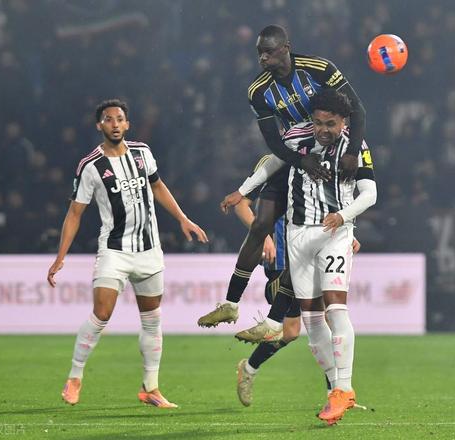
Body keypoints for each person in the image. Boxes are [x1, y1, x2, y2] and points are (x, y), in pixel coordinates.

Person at [197, 24, 366, 334]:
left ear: (286, 48)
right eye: (259, 53)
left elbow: (357, 110)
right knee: (261, 223)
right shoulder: (258, 91)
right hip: (293, 154)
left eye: (269, 52)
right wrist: (300, 161)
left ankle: (276, 321)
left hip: (329, 156)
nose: (263, 58)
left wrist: (352, 153)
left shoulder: (319, 69)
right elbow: (274, 143)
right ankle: (231, 303)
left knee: (310, 235)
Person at [222, 90, 376, 425]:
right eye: (318, 122)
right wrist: (243, 192)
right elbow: (272, 165)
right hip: (297, 236)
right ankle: (334, 390)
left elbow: (368, 194)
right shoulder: (294, 139)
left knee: (334, 309)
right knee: (309, 322)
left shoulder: (355, 148)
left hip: (334, 233)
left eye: (330, 124)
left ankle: (342, 389)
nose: (323, 129)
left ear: (344, 121)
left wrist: (343, 217)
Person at [46, 99, 208, 408]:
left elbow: (158, 187)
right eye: (109, 120)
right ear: (100, 125)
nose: (115, 124)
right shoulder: (90, 165)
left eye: (120, 119)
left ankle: (150, 387)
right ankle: (75, 376)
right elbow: (75, 213)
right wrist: (60, 257)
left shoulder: (142, 152)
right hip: (114, 251)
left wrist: (182, 218)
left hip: (149, 250)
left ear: (127, 124)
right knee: (102, 313)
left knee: (152, 319)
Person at [231, 155, 361, 406]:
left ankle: (335, 393)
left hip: (312, 252)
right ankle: (337, 392)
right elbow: (242, 205)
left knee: (296, 330)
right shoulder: (273, 162)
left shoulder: (318, 160)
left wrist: (345, 234)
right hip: (281, 263)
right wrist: (263, 234)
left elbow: (324, 204)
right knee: (302, 326)